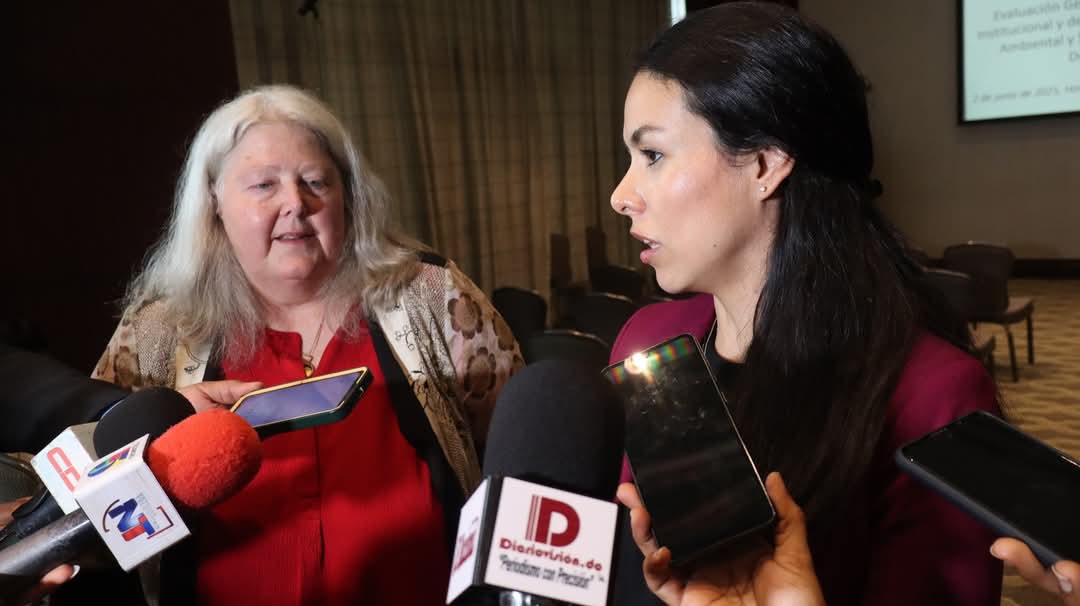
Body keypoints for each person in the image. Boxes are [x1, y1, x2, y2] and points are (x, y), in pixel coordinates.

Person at [607, 3, 1000, 604]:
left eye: (653, 156)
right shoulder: (648, 342)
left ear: (765, 164)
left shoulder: (933, 397)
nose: (621, 195)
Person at [89, 85, 523, 606]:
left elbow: (520, 446)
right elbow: (92, 487)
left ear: (348, 196)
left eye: (316, 181)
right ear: (214, 204)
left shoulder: (429, 295)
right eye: (264, 185)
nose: (296, 203)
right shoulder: (159, 329)